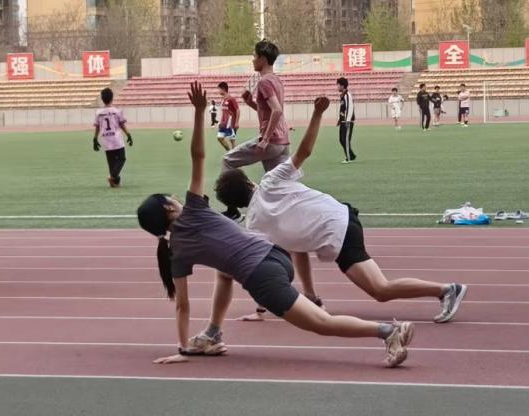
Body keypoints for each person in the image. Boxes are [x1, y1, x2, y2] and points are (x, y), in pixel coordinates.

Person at [136, 82, 414, 368]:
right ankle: (213, 333)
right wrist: (199, 112)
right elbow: (198, 156)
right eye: (170, 197)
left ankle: (388, 331)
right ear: (169, 207)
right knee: (224, 271)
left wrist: (182, 349)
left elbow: (182, 306)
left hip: (261, 273)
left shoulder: (176, 252)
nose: (174, 197)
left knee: (321, 323)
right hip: (276, 256)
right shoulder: (195, 208)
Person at [209, 92, 468, 327]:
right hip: (341, 216)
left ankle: (446, 290)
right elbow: (304, 151)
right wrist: (317, 113)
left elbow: (267, 270)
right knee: (299, 247)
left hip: (338, 231)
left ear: (236, 203)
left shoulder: (255, 227)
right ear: (249, 183)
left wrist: (261, 307)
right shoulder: (270, 181)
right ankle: (312, 296)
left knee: (380, 290)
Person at [222, 41, 290, 173]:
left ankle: (243, 186)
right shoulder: (277, 80)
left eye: (254, 56)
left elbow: (277, 110)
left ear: (262, 59)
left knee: (227, 161)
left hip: (271, 142)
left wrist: (265, 140)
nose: (252, 60)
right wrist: (250, 102)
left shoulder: (264, 82)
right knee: (275, 182)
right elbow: (270, 111)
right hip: (283, 141)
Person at [93, 88, 133, 188]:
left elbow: (97, 127)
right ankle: (112, 177)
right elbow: (122, 124)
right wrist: (128, 134)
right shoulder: (117, 111)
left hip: (106, 140)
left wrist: (95, 139)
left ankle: (115, 183)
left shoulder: (98, 113)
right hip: (116, 140)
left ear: (102, 99)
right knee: (122, 158)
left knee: (111, 163)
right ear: (112, 98)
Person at [337, 77, 356, 164]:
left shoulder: (347, 95)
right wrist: (339, 119)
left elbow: (350, 107)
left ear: (342, 86)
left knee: (346, 140)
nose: (337, 87)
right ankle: (351, 155)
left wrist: (348, 120)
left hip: (347, 122)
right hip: (343, 121)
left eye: (338, 85)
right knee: (341, 140)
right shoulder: (342, 95)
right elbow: (342, 109)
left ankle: (348, 158)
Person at [215, 82, 240, 151]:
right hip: (223, 124)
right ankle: (230, 152)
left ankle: (234, 155)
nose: (218, 91)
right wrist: (221, 122)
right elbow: (224, 112)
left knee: (232, 141)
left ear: (223, 89)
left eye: (219, 89)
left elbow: (238, 110)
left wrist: (236, 122)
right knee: (219, 138)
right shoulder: (223, 99)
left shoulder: (231, 99)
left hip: (231, 124)